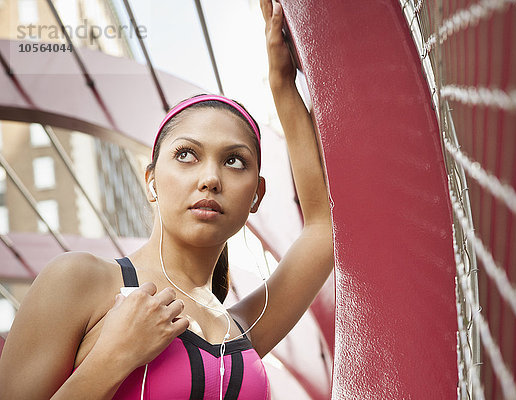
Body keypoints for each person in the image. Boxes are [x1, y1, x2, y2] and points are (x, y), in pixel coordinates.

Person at [0, 0, 333, 398]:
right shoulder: (79, 280)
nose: (210, 178)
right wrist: (114, 357)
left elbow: (322, 230)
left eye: (234, 161)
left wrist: (283, 88)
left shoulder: (242, 330)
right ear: (151, 180)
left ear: (257, 196)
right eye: (187, 155)